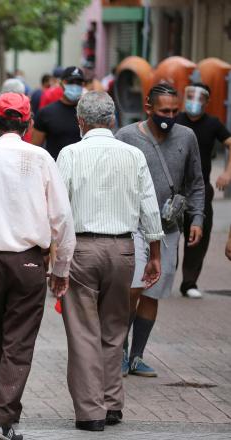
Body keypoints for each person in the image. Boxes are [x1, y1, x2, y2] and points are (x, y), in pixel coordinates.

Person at [0, 93, 75, 440]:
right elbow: (62, 218)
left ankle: (3, 416)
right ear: (28, 123)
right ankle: (1, 417)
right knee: (17, 344)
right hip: (28, 263)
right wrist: (62, 268)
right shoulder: (40, 157)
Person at [56, 92, 163, 432]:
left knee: (83, 332)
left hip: (82, 250)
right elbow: (149, 203)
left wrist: (55, 257)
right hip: (123, 250)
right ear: (114, 120)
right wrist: (155, 252)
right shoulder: (133, 154)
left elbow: (58, 210)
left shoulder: (70, 153)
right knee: (115, 329)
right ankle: (112, 403)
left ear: (80, 122)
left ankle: (91, 412)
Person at [115, 83, 204, 378]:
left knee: (153, 292)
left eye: (174, 111)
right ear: (149, 108)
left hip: (168, 228)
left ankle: (138, 355)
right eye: (164, 111)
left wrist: (197, 219)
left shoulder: (187, 137)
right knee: (132, 290)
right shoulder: (126, 137)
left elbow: (196, 182)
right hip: (134, 228)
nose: (170, 116)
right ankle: (121, 352)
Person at [176, 83, 231, 298]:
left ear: (207, 102)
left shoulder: (213, 123)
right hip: (173, 188)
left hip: (200, 188)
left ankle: (189, 282)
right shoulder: (175, 120)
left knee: (199, 233)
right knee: (167, 234)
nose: (194, 102)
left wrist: (227, 173)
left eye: (200, 98)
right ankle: (163, 275)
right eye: (190, 96)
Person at [31, 66, 85, 160]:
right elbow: (35, 149)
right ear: (62, 84)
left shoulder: (88, 112)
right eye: (71, 82)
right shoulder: (46, 113)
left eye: (78, 83)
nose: (75, 86)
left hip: (83, 170)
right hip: (55, 171)